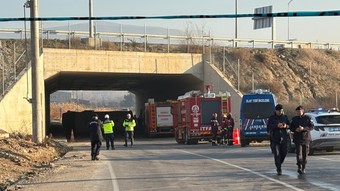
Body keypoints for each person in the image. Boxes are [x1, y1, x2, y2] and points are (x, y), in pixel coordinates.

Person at [290, 105, 314, 175]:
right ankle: (299, 167)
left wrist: (304, 129)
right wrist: (295, 129)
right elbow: (291, 127)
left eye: (299, 111)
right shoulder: (294, 119)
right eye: (297, 111)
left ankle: (303, 167)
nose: (298, 112)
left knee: (305, 154)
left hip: (306, 138)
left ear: (303, 111)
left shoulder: (307, 118)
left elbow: (311, 126)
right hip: (297, 138)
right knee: (298, 153)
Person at [267, 104, 290, 175]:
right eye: (279, 111)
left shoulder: (285, 117)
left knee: (284, 153)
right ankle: (278, 168)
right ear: (276, 111)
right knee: (277, 154)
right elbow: (268, 127)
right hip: (275, 139)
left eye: (281, 111)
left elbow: (290, 125)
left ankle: (279, 163)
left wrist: (286, 126)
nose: (280, 112)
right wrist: (276, 126)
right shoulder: (272, 118)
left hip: (284, 139)